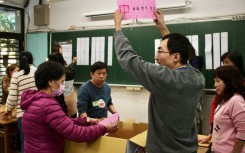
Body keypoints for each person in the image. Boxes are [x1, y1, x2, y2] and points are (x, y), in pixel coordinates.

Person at [113, 10, 205, 153]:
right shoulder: (198, 77)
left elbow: (127, 58)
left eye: (160, 51)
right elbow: (183, 54)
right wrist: (163, 28)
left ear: (175, 57)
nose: (156, 57)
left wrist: (118, 26)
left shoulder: (164, 78)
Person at [20, 61, 118, 153]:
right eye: (61, 82)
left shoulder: (35, 101)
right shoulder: (48, 105)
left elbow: (62, 122)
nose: (63, 86)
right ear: (51, 82)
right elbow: (75, 133)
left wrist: (86, 121)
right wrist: (103, 128)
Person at [199, 51, 245, 143]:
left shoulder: (239, 93)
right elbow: (215, 106)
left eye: (227, 63)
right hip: (221, 139)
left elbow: (242, 129)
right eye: (223, 63)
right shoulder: (223, 87)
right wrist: (212, 129)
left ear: (237, 64)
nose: (224, 66)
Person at [4, 51, 37, 153]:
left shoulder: (16, 75)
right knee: (37, 143)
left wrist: (8, 110)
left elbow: (13, 96)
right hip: (38, 112)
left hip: (23, 115)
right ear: (32, 60)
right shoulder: (37, 71)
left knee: (25, 143)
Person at [212, 66, 245, 153]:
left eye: (218, 81)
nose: (215, 85)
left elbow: (243, 132)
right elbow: (224, 125)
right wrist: (212, 135)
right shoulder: (225, 98)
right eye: (214, 81)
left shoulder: (236, 101)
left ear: (229, 82)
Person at [48, 53, 77, 117]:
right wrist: (73, 62)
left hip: (59, 100)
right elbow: (70, 68)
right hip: (71, 98)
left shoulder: (52, 73)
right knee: (74, 119)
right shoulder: (70, 70)